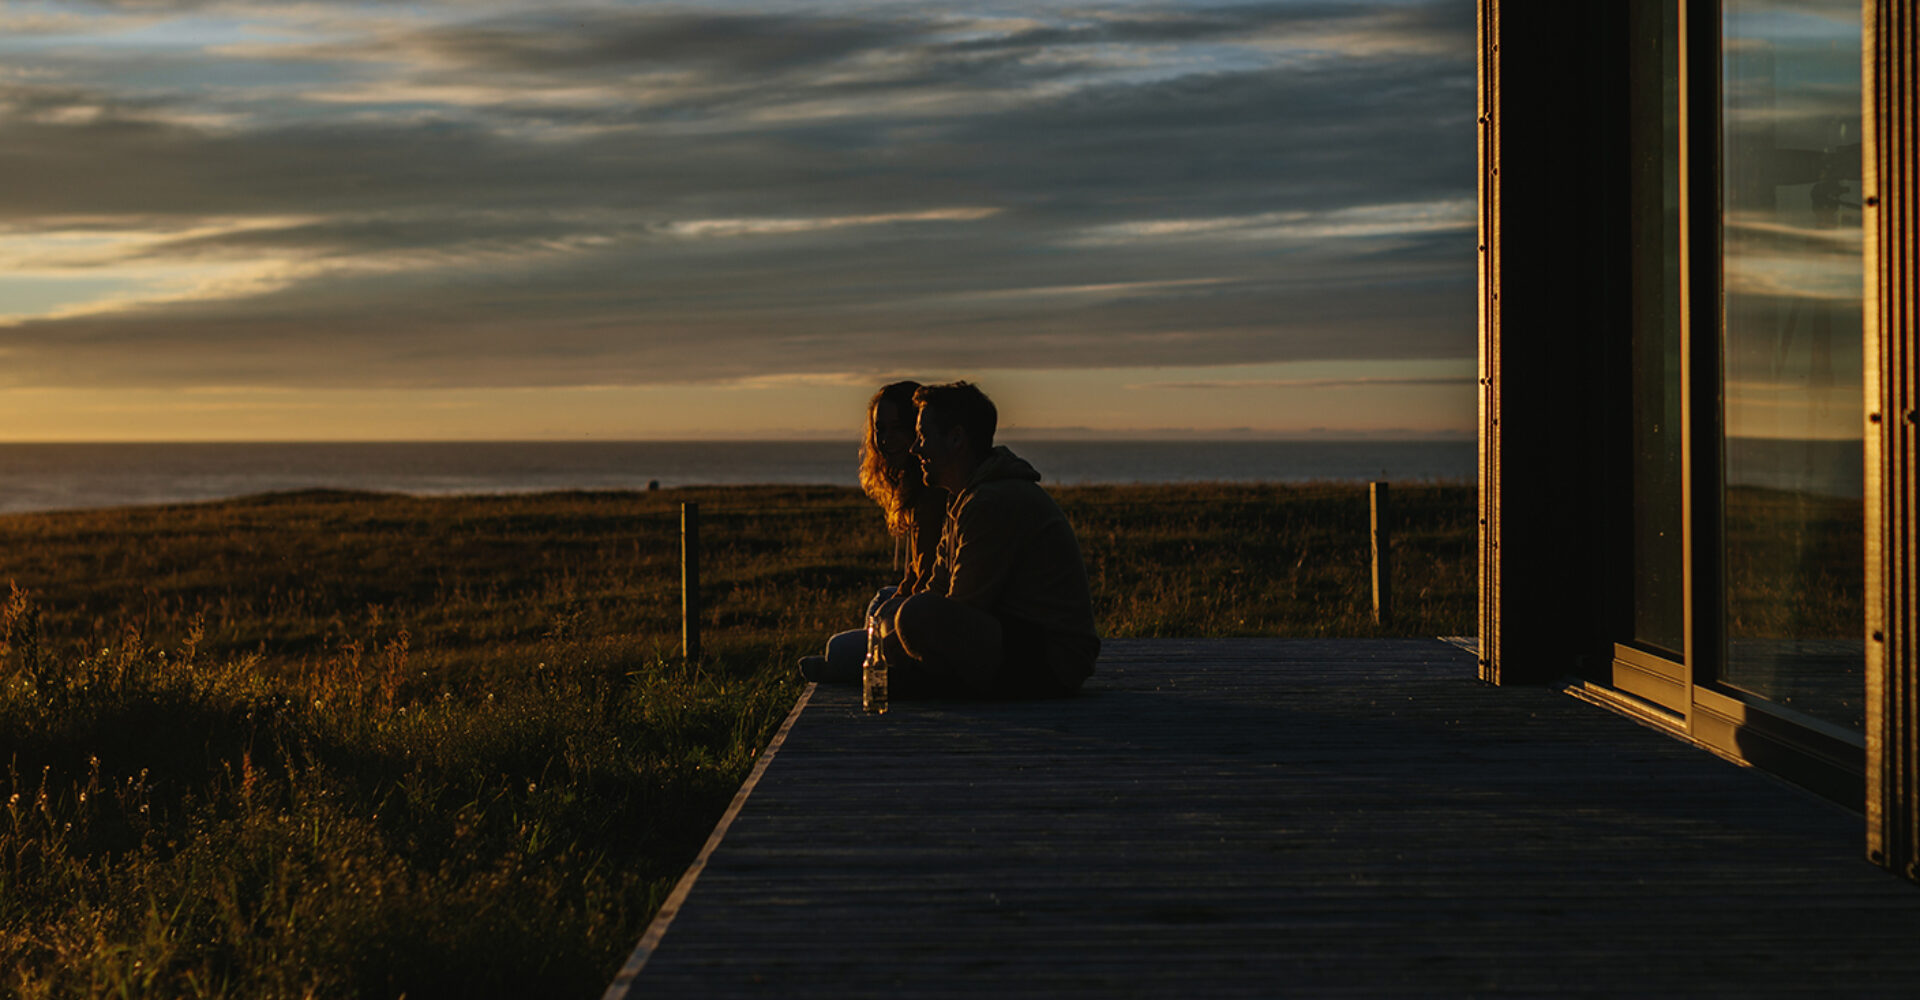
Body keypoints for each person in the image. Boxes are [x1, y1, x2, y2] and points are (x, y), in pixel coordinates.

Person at [877, 381, 1099, 698]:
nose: (915, 449)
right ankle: (898, 676)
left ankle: (916, 682)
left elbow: (960, 607)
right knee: (894, 618)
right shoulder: (963, 499)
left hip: (1053, 658)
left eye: (923, 437)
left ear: (956, 439)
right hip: (1013, 639)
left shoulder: (991, 502)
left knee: (915, 617)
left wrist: (895, 642)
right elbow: (938, 588)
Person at [798, 381, 947, 682]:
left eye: (897, 428)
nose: (886, 439)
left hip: (935, 615)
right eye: (880, 429)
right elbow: (915, 576)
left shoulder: (933, 495)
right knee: (882, 599)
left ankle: (849, 667)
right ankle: (862, 661)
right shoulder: (914, 488)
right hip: (922, 605)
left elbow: (933, 584)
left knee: (839, 647)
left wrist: (898, 610)